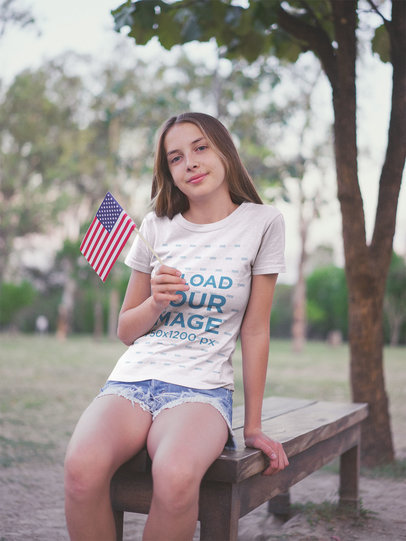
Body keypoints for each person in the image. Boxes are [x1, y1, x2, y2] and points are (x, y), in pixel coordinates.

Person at [64, 112, 289, 541]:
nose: (190, 162)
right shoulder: (156, 225)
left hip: (200, 389)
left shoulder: (263, 223)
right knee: (80, 469)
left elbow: (256, 330)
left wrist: (254, 426)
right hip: (131, 381)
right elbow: (127, 331)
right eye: (175, 157)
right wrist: (155, 302)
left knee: (176, 475)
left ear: (225, 150)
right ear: (168, 171)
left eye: (200, 147)